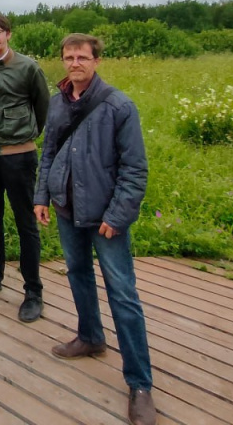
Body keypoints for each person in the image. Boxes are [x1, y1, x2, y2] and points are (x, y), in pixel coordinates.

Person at [34, 33, 156, 425]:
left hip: (106, 218)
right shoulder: (57, 102)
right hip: (66, 209)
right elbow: (49, 153)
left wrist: (117, 216)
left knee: (122, 293)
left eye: (82, 57)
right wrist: (42, 196)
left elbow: (134, 169)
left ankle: (140, 384)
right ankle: (90, 337)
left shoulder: (119, 106)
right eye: (69, 57)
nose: (75, 63)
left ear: (96, 61)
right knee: (77, 273)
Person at [0, 13, 50, 323]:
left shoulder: (28, 67)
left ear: (8, 35)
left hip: (19, 157)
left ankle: (33, 292)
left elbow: (42, 108)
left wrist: (25, 136)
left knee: (25, 223)